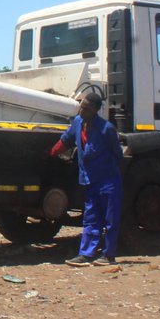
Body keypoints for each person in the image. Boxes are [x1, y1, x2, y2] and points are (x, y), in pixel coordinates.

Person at [49, 92, 124, 266]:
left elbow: (117, 155)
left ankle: (108, 255)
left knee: (110, 219)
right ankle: (86, 254)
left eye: (86, 109)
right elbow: (66, 140)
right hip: (89, 180)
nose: (82, 111)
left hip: (108, 181)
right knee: (91, 218)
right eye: (81, 107)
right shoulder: (77, 122)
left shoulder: (106, 129)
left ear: (95, 110)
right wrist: (50, 153)